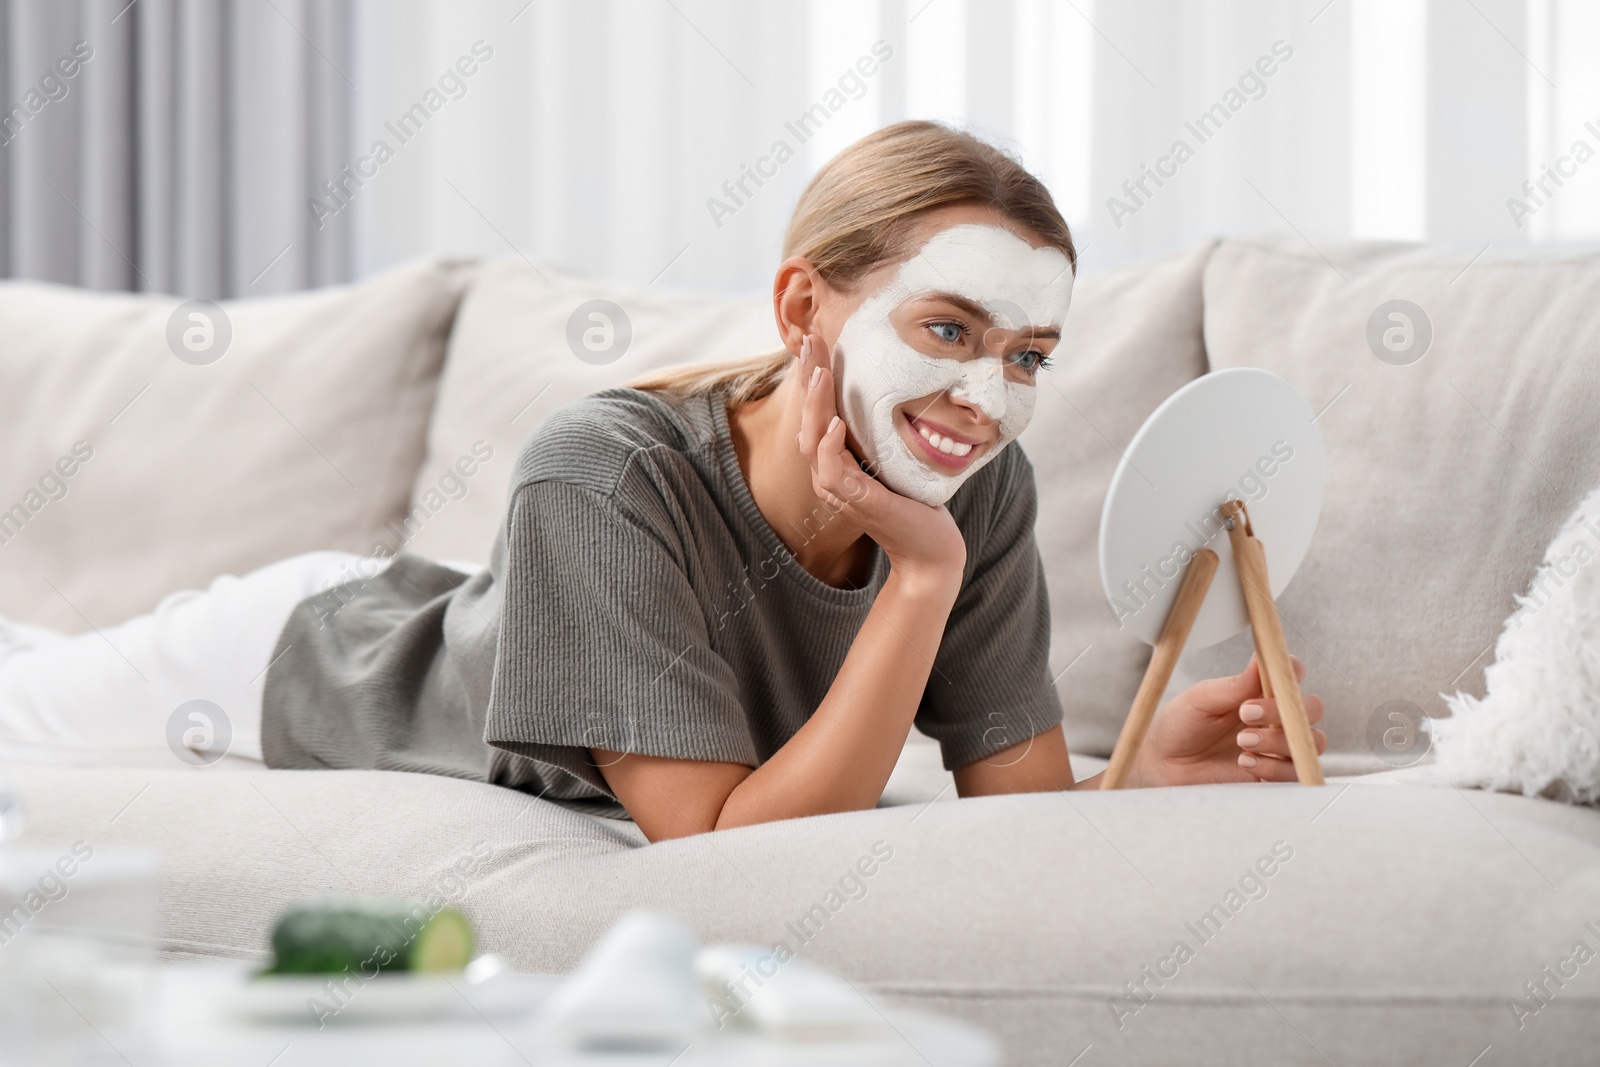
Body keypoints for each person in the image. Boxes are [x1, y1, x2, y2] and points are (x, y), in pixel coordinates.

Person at [0, 121, 1324, 842]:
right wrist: (920, 579)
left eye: (1027, 353)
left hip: (465, 613)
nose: (988, 396)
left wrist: (1141, 770)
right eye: (947, 329)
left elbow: (1012, 813)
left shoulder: (982, 482)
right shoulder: (602, 467)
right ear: (807, 304)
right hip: (299, 668)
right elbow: (719, 843)